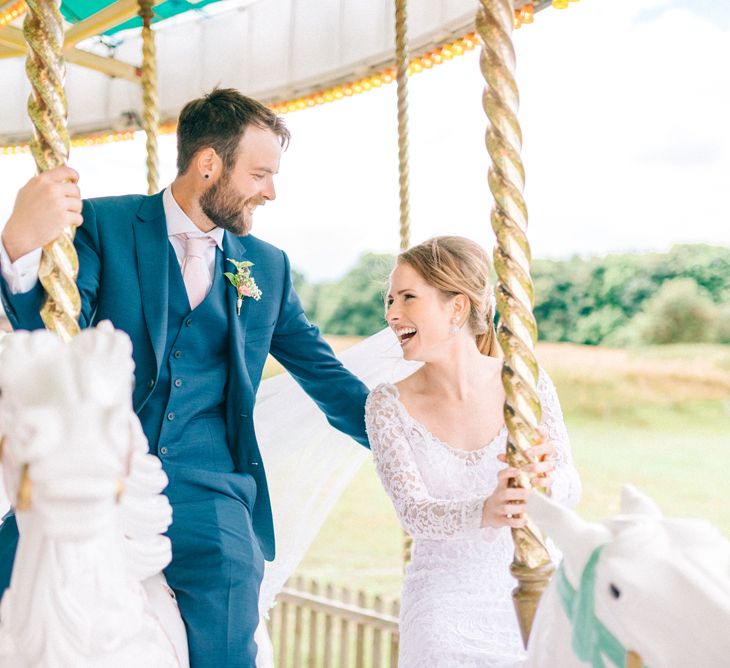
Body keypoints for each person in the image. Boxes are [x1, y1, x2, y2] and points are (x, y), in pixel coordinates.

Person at [0, 88, 370, 667]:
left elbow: (322, 371)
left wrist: (403, 438)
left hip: (210, 486)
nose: (271, 190)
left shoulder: (265, 265)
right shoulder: (106, 223)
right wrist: (19, 246)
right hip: (107, 464)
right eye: (260, 173)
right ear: (208, 165)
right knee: (16, 567)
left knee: (229, 611)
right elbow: (53, 334)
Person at [365, 236, 581, 668]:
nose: (391, 314)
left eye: (408, 298)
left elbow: (570, 490)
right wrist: (486, 509)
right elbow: (414, 513)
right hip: (444, 604)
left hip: (534, 586)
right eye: (390, 300)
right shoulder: (387, 404)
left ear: (457, 308)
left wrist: (545, 477)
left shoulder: (527, 385)